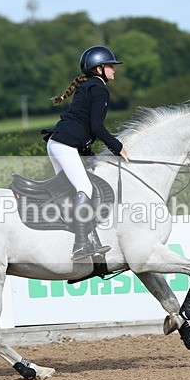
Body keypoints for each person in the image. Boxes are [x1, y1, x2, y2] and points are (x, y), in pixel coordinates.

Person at [42, 45, 130, 261]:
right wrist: (117, 147)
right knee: (84, 187)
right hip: (65, 145)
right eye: (110, 65)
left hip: (58, 143)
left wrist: (89, 156)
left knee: (71, 190)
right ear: (99, 68)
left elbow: (82, 125)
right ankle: (81, 244)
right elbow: (96, 127)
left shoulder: (88, 86)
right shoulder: (99, 89)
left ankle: (71, 238)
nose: (114, 69)